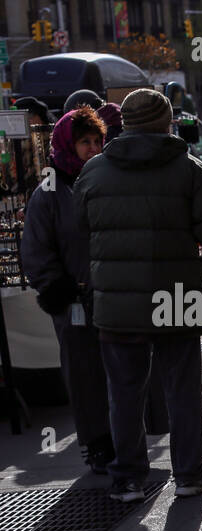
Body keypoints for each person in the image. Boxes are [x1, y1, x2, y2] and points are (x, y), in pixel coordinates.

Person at [75, 88, 202, 502]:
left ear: (123, 125)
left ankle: (128, 478)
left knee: (124, 393)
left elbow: (78, 230)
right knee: (181, 387)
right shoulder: (189, 169)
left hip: (116, 303)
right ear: (166, 123)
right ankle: (189, 473)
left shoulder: (93, 171)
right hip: (177, 296)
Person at [20, 107, 114, 474]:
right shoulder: (49, 191)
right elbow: (36, 249)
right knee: (84, 374)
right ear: (66, 145)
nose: (92, 148)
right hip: (74, 298)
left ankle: (123, 437)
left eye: (96, 141)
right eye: (84, 142)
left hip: (111, 295)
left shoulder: (106, 180)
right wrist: (57, 290)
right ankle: (96, 444)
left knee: (120, 372)